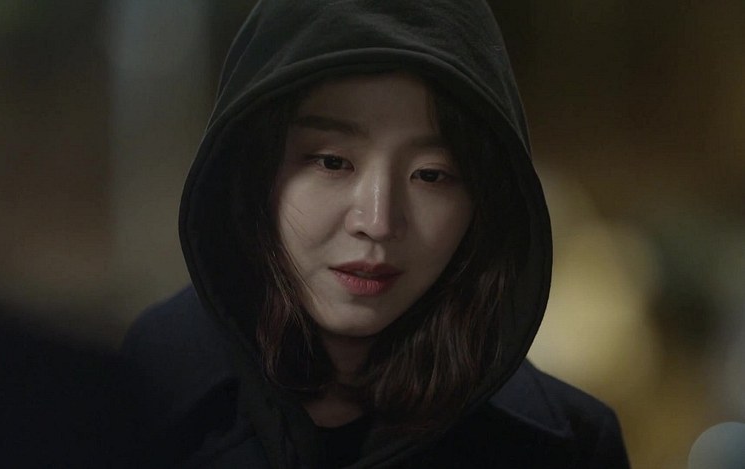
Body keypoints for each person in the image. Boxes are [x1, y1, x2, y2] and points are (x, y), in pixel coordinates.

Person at [122, 0, 631, 467]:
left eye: (431, 174)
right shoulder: (135, 404)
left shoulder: (561, 448)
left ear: (485, 201)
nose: (378, 221)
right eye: (332, 162)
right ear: (253, 172)